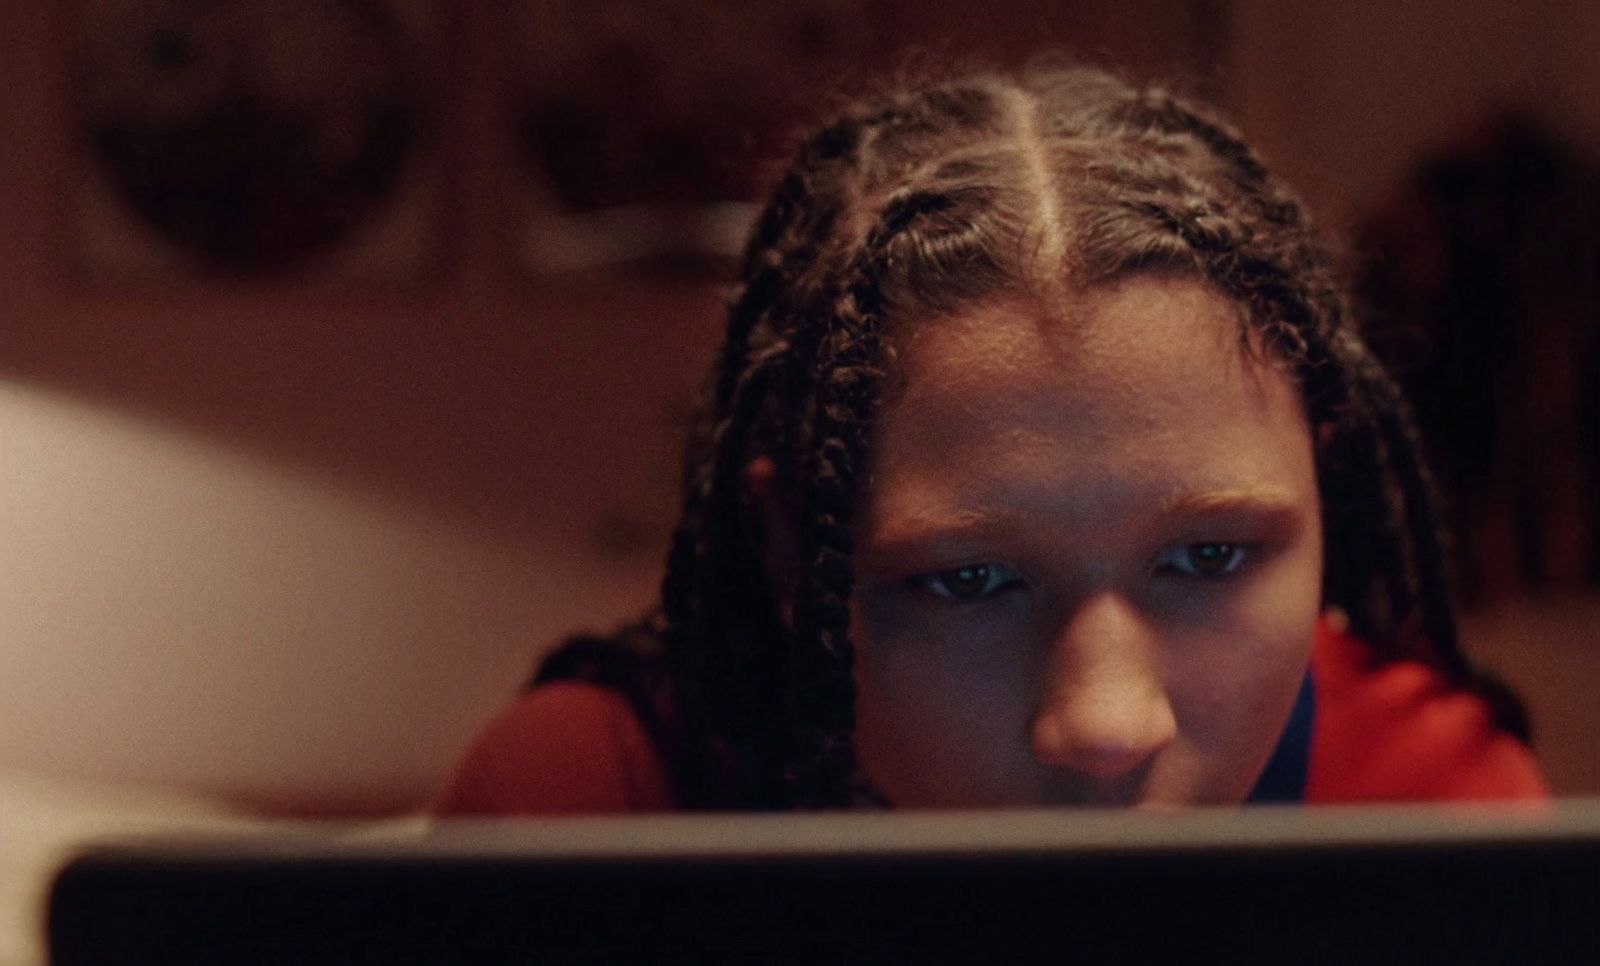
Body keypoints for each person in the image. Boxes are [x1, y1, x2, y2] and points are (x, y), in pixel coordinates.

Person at [437, 65, 1548, 815]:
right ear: (789, 550)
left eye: (1208, 559)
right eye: (970, 581)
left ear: (1326, 492)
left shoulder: (1428, 793)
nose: (1106, 725)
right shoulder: (591, 798)